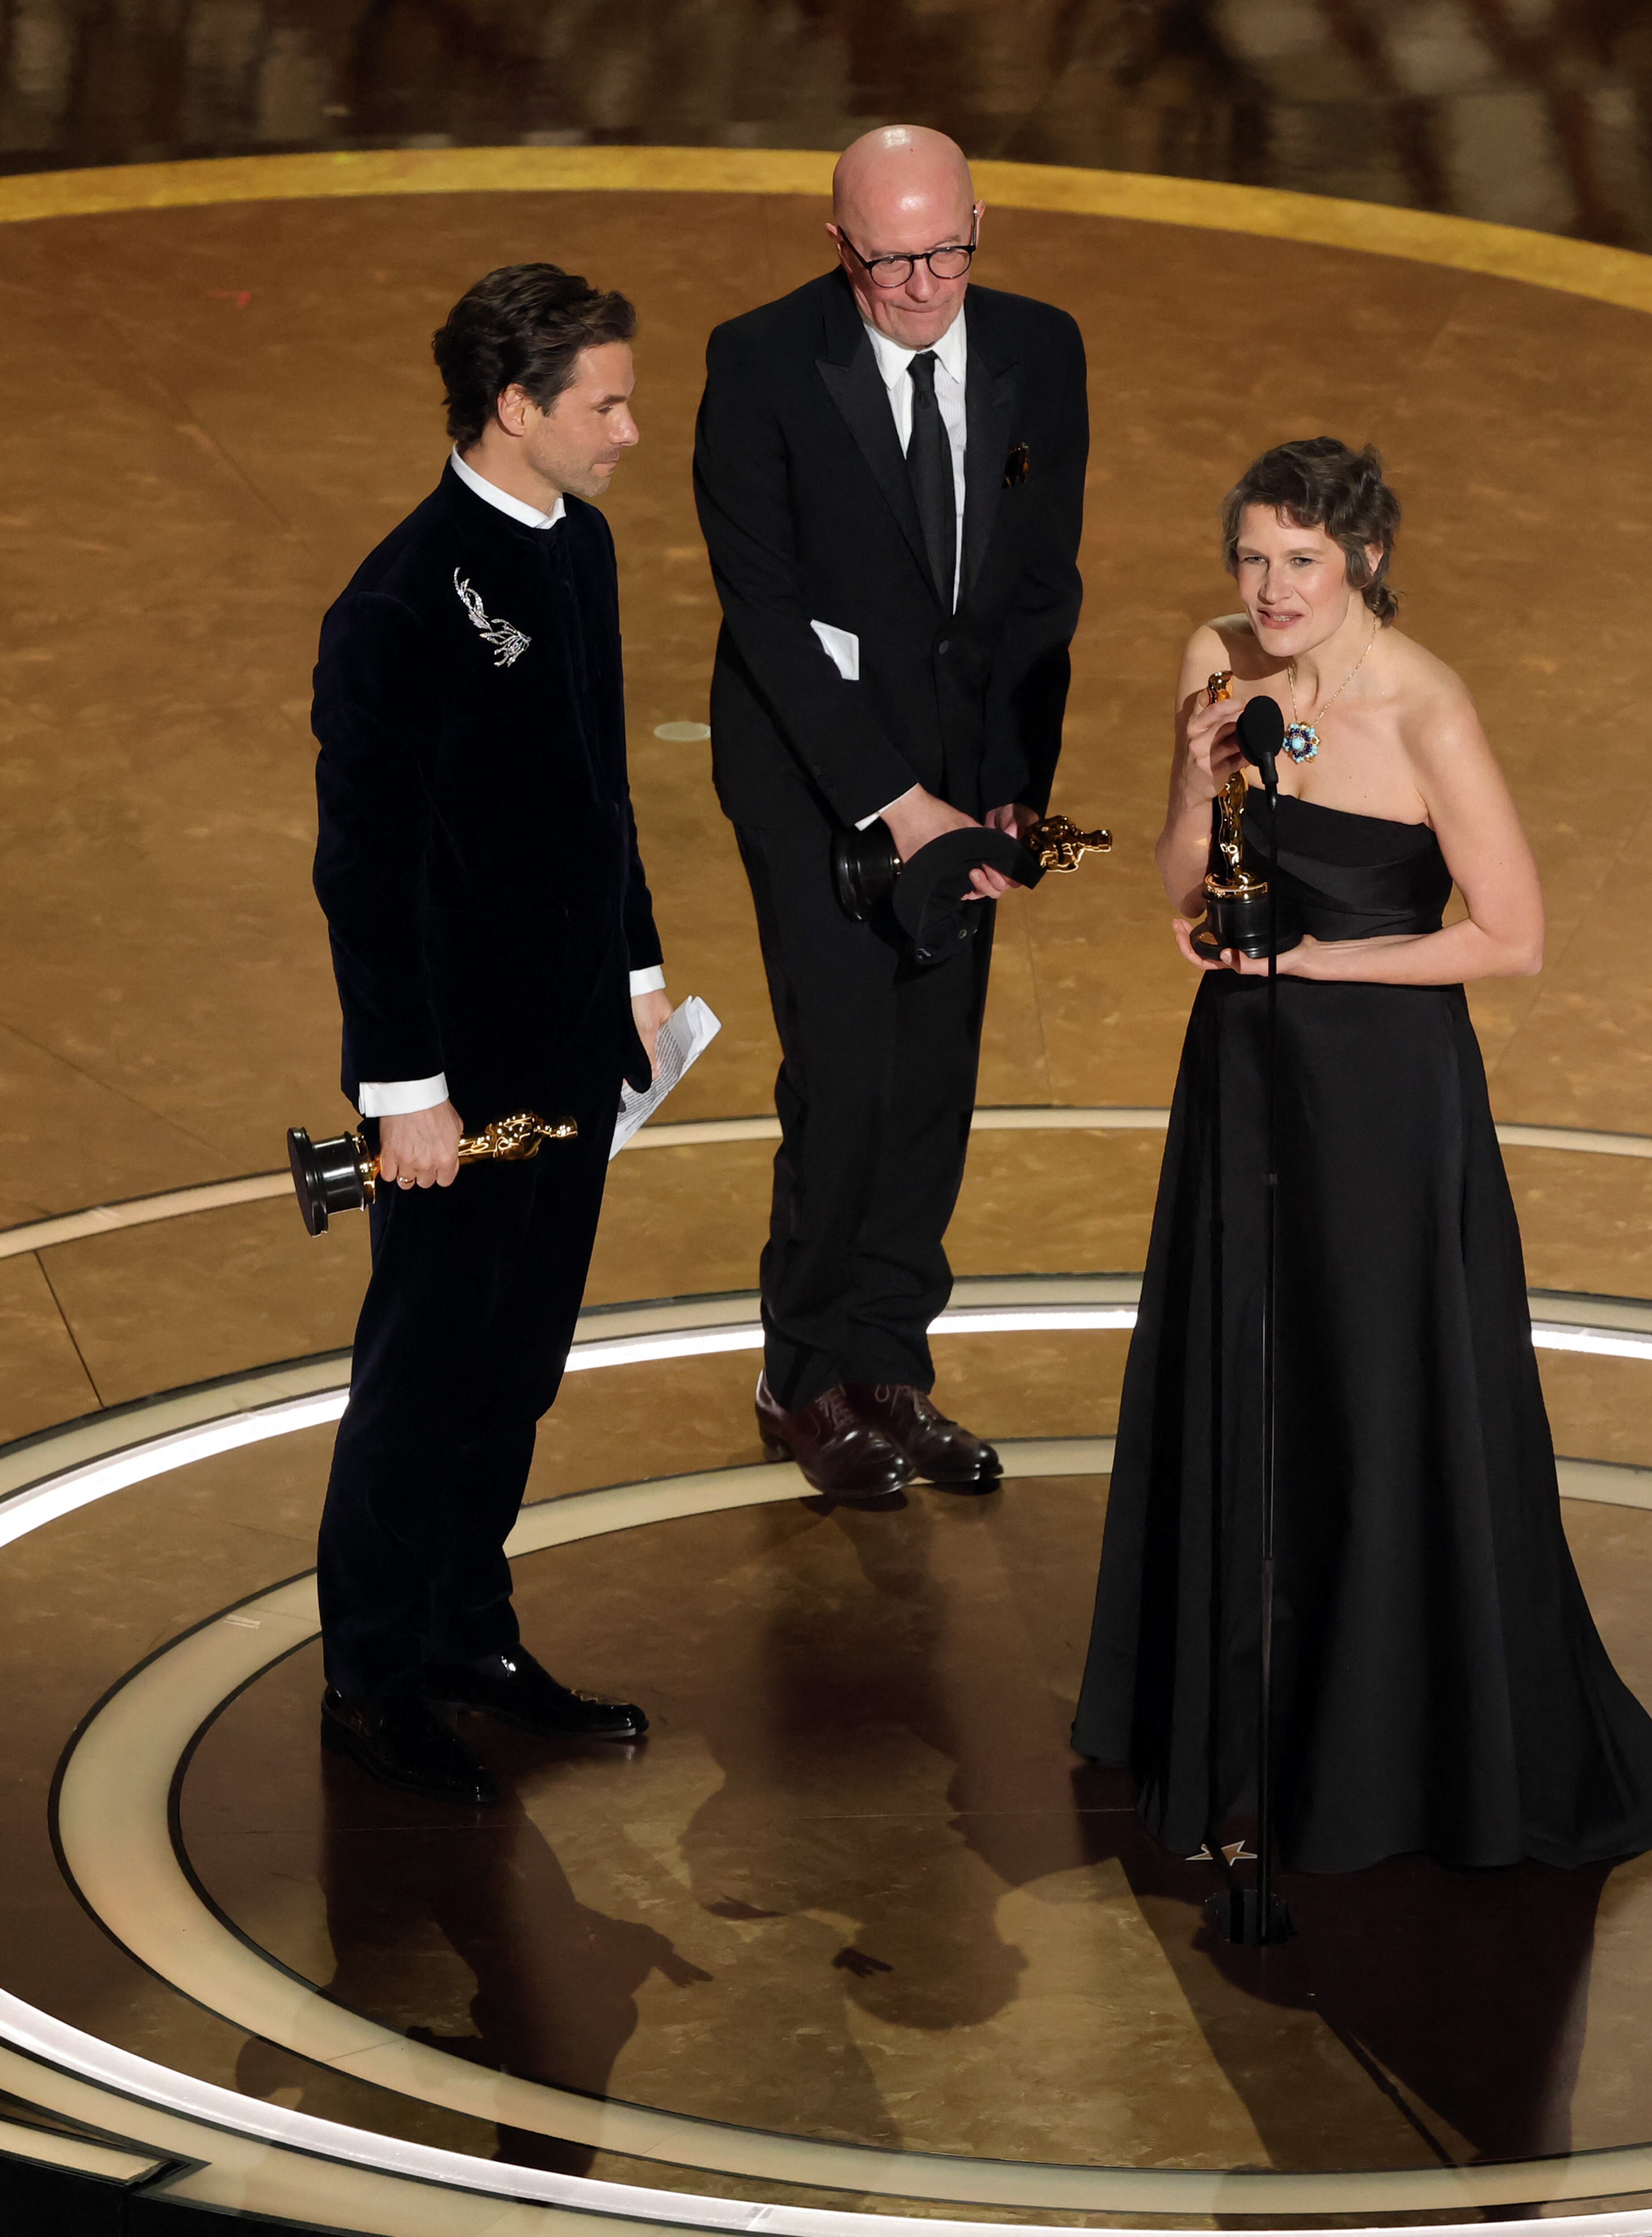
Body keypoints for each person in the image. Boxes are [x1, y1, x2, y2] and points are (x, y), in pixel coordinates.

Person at [1073, 438, 1652, 1873]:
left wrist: (1315, 966)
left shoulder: (1428, 712)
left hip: (1376, 1096)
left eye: (1300, 561)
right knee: (1243, 1373)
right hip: (1240, 1074)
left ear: (1361, 562)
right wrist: (1189, 776)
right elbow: (1184, 880)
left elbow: (1512, 936)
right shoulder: (1216, 662)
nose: (1269, 587)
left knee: (1368, 1386)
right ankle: (1235, 1726)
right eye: (1250, 557)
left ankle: (1372, 1749)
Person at [310, 264, 673, 1807]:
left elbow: (597, 787)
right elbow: (366, 873)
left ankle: (469, 1631)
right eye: (605, 402)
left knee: (517, 1362)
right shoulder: (396, 607)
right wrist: (404, 1092)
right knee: (425, 1371)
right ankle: (372, 1677)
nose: (632, 431)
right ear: (516, 408)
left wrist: (640, 965)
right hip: (452, 1087)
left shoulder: (577, 549)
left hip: (575, 1044)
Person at [693, 124, 1088, 1501]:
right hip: (816, 776)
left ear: (978, 224)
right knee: (848, 1078)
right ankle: (801, 1375)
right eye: (889, 260)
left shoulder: (1044, 347)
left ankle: (889, 1365)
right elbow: (769, 621)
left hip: (963, 781)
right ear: (837, 242)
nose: (922, 285)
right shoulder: (757, 364)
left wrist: (1002, 798)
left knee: (931, 1083)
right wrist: (895, 802)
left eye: (946, 252)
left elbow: (1042, 594)